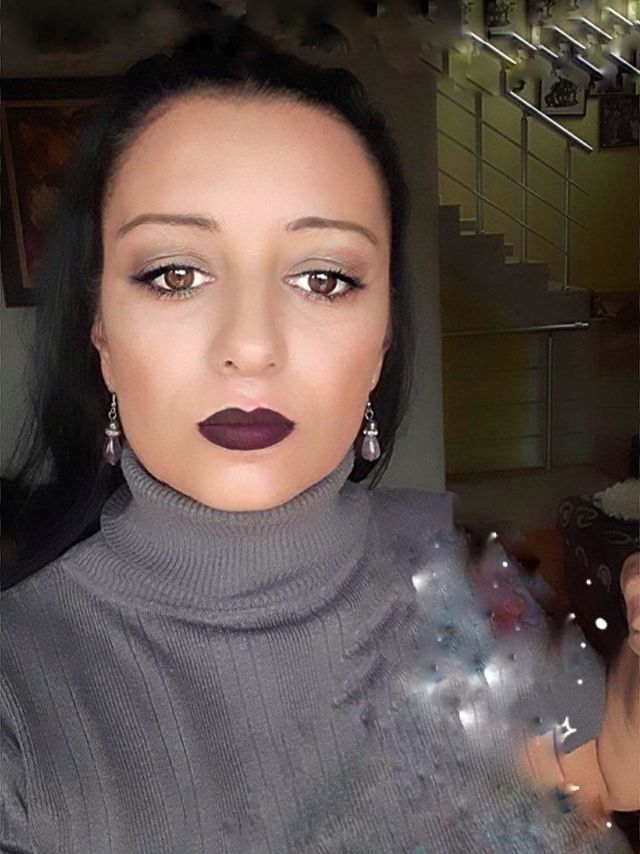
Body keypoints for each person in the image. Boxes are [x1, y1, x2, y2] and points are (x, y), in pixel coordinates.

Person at [1, 19, 638, 854]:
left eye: (323, 278)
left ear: (381, 343)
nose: (252, 346)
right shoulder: (18, 686)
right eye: (175, 274)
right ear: (101, 334)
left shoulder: (456, 572)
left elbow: (591, 781)